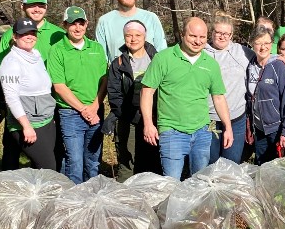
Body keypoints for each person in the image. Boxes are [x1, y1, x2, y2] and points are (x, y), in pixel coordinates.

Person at [140, 17, 233, 179]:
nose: (198, 41)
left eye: (202, 37)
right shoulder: (163, 58)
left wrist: (228, 127)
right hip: (172, 131)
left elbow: (218, 97)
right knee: (172, 182)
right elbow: (147, 92)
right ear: (182, 34)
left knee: (200, 180)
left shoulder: (210, 64)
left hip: (202, 131)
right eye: (193, 36)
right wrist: (148, 124)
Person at [0, 0, 66, 171]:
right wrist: (9, 109)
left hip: (48, 109)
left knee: (50, 157)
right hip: (22, 113)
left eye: (40, 5)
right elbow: (9, 87)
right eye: (32, 5)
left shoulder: (53, 39)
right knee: (13, 153)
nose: (36, 9)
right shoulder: (9, 48)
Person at [48, 6, 109, 183]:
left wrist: (95, 106)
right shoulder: (57, 50)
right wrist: (83, 109)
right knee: (74, 161)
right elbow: (59, 86)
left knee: (93, 161)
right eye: (73, 24)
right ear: (65, 25)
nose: (77, 28)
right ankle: (74, 196)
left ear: (86, 24)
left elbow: (105, 80)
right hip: (70, 113)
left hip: (95, 111)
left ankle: (92, 194)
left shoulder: (96, 48)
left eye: (81, 23)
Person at [105, 19, 160, 178]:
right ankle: (125, 192)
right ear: (124, 37)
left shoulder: (158, 59)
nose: (133, 39)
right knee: (128, 162)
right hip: (128, 119)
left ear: (145, 36)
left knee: (153, 160)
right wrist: (127, 114)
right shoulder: (118, 64)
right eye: (129, 35)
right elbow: (114, 94)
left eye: (138, 35)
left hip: (155, 118)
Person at [205, 13, 254, 164]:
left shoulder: (242, 52)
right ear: (212, 32)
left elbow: (262, 59)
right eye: (218, 32)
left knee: (231, 163)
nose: (222, 36)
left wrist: (277, 58)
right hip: (209, 119)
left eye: (226, 33)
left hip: (236, 118)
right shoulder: (202, 53)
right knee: (211, 162)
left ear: (231, 35)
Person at [246, 27, 285, 164]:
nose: (263, 47)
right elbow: (249, 97)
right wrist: (249, 125)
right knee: (261, 165)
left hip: (276, 128)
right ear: (252, 44)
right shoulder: (250, 66)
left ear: (272, 44)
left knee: (278, 167)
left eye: (267, 43)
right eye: (258, 43)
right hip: (258, 128)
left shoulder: (278, 66)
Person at [94, 0, 167, 62]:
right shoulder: (104, 21)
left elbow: (162, 52)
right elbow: (101, 58)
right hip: (117, 70)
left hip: (150, 70)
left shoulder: (151, 18)